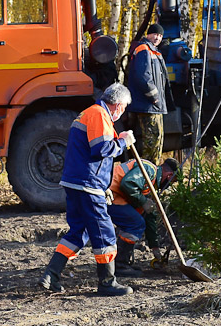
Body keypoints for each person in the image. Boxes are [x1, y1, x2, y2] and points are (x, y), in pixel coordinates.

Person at [38, 84, 137, 296]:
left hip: (77, 183)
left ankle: (51, 275)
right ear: (119, 105)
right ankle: (107, 283)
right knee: (105, 232)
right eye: (124, 108)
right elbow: (100, 149)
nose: (123, 113)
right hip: (87, 184)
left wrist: (104, 186)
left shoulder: (90, 113)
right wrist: (123, 142)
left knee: (79, 232)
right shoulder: (99, 114)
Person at [107, 156, 179, 276]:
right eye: (173, 181)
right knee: (135, 223)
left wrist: (155, 248)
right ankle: (120, 265)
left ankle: (123, 262)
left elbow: (149, 217)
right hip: (108, 194)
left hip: (115, 196)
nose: (170, 185)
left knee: (137, 220)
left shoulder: (151, 185)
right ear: (169, 175)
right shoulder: (149, 170)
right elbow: (127, 183)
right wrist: (143, 201)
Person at [126, 22, 170, 164]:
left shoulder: (154, 51)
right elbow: (143, 76)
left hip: (153, 105)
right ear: (148, 34)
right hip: (148, 105)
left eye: (160, 35)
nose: (157, 38)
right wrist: (155, 97)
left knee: (156, 141)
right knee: (152, 143)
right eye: (155, 34)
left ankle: (151, 171)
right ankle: (148, 172)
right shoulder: (144, 49)